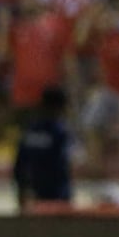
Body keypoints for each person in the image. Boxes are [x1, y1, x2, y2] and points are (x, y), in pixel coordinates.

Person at [12, 84, 73, 212]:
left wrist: (21, 191)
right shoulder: (60, 132)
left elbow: (19, 166)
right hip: (56, 197)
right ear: (60, 107)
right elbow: (62, 166)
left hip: (33, 194)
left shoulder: (29, 130)